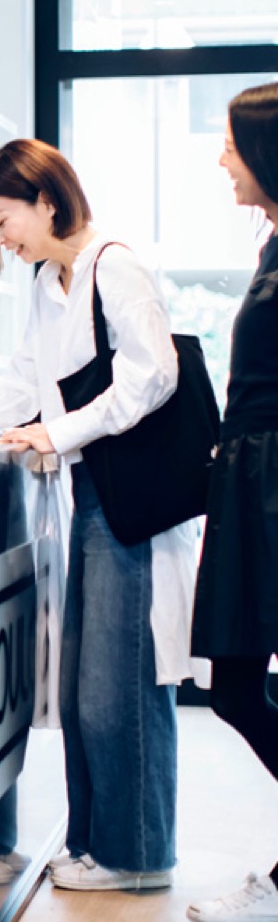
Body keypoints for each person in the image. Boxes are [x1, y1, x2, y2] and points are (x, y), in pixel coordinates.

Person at [0, 138, 196, 892]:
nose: (0, 238)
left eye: (2, 220)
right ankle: (100, 845)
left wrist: (57, 432)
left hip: (134, 506)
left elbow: (155, 377)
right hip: (93, 497)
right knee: (82, 687)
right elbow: (25, 380)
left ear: (45, 200)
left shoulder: (114, 266)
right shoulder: (49, 281)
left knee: (120, 685)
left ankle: (137, 857)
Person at [185, 83, 278, 922]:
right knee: (234, 688)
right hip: (249, 481)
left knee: (239, 686)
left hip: (270, 484)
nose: (221, 160)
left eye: (230, 145)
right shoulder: (272, 242)